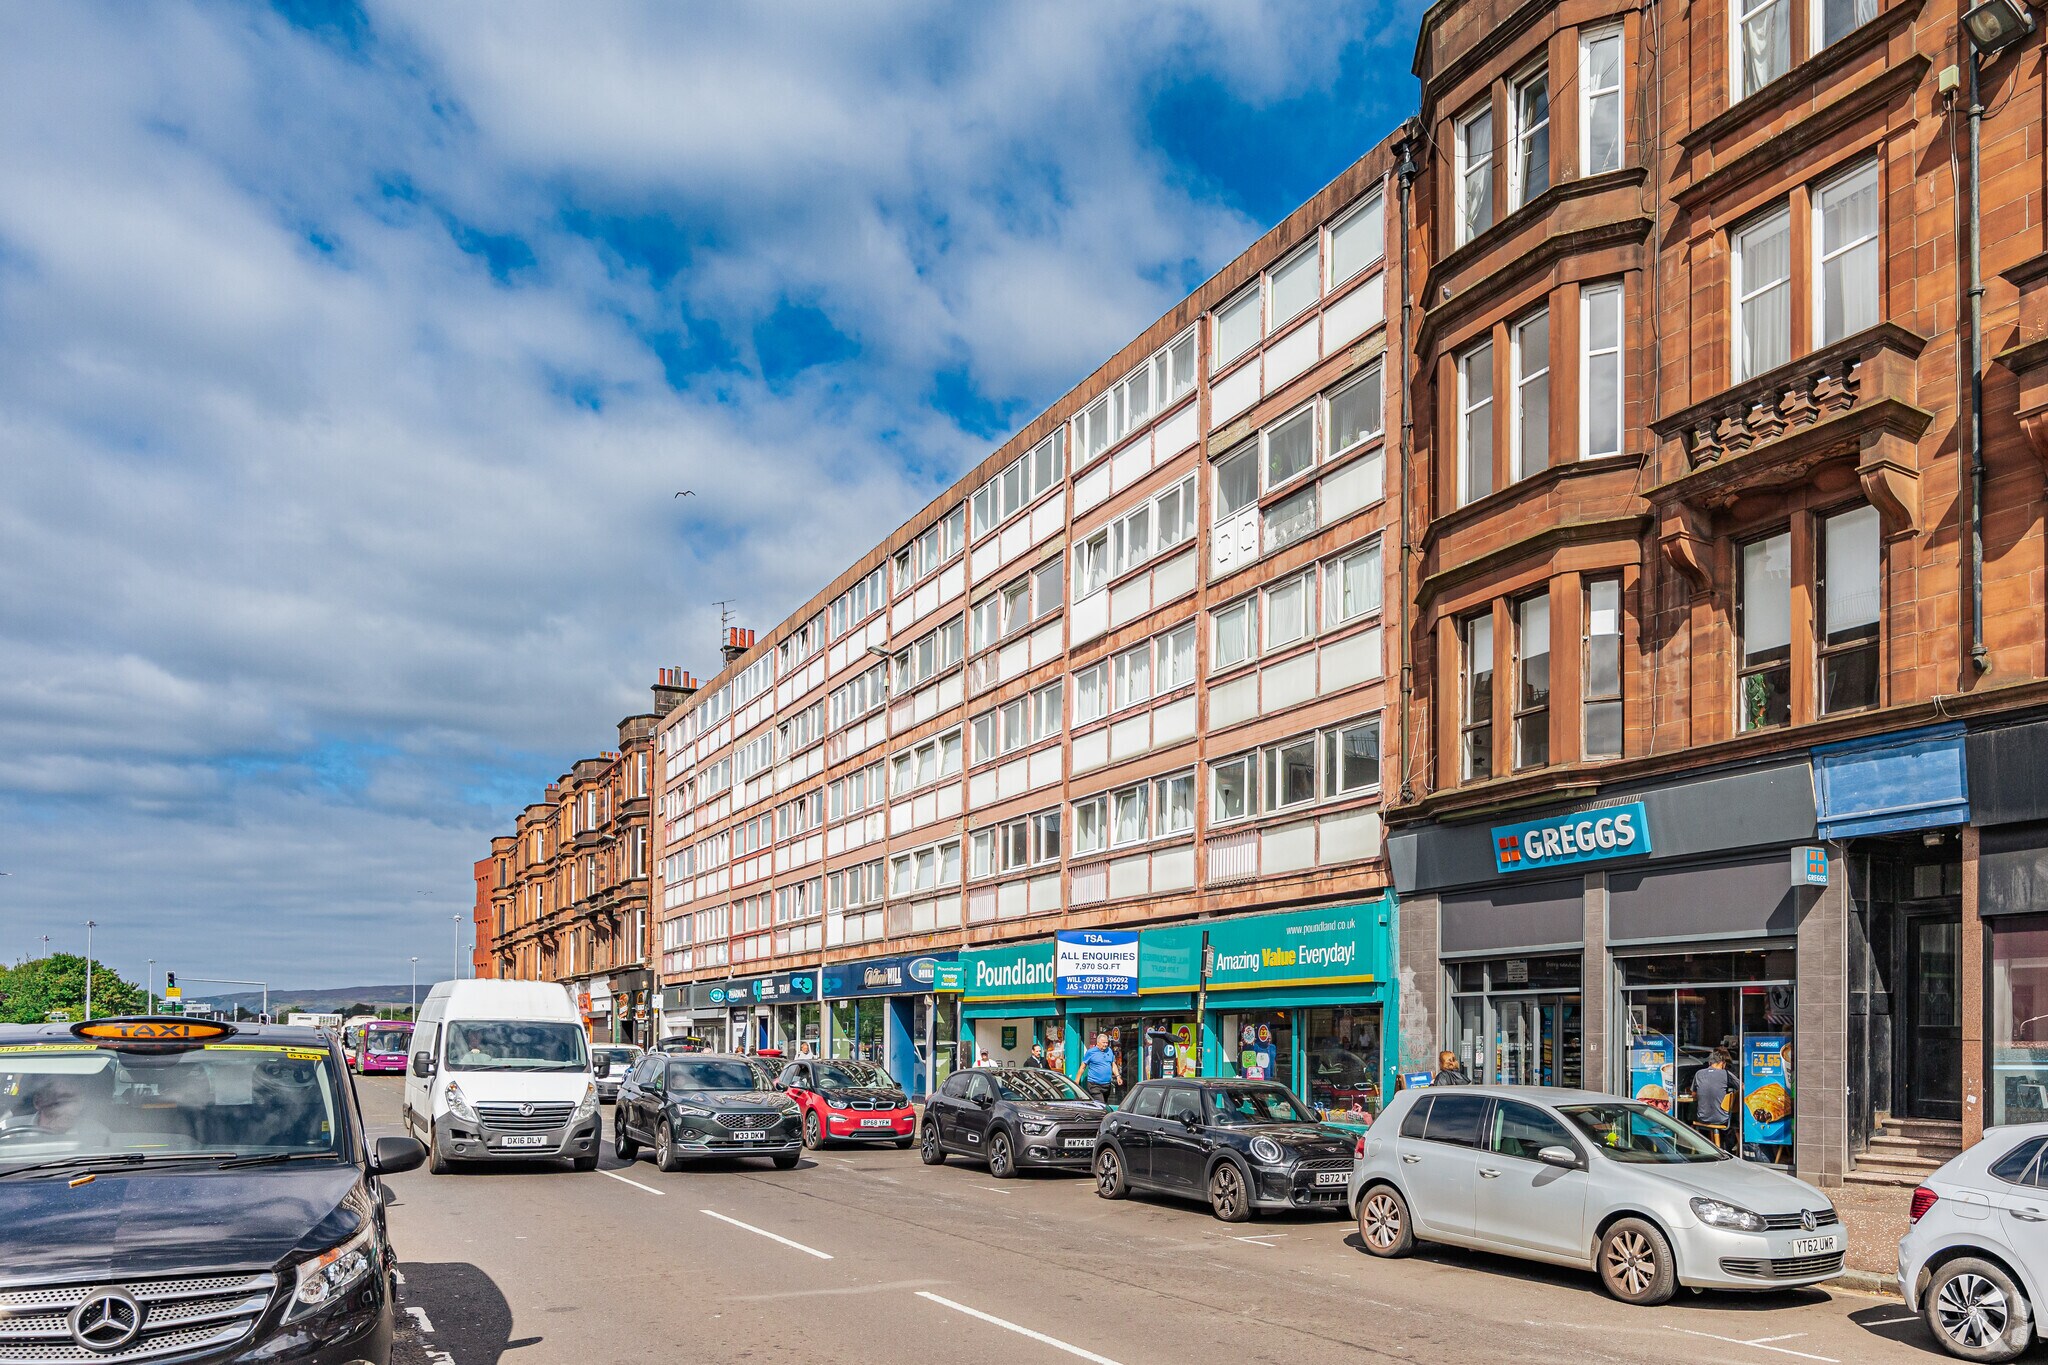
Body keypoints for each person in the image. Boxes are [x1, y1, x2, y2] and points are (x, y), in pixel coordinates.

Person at [1691, 1049, 1738, 1149]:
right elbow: (1742, 1087)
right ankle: (1735, 1147)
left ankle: (1704, 1145)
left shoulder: (1698, 1074)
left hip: (1702, 1118)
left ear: (1709, 1063)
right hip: (1721, 1119)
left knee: (1691, 1111)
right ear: (1723, 1063)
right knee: (1737, 1117)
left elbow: (1694, 1094)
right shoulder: (1726, 1074)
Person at [1074, 1032, 1121, 1103]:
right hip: (1094, 1085)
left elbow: (1113, 1064)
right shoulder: (1090, 1052)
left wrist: (1118, 1076)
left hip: (1107, 1085)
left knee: (1104, 1104)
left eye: (1106, 1042)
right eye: (1103, 1042)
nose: (1105, 1044)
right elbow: (1083, 1067)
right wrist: (1077, 1080)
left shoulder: (1109, 1051)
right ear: (1098, 1043)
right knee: (1101, 1104)